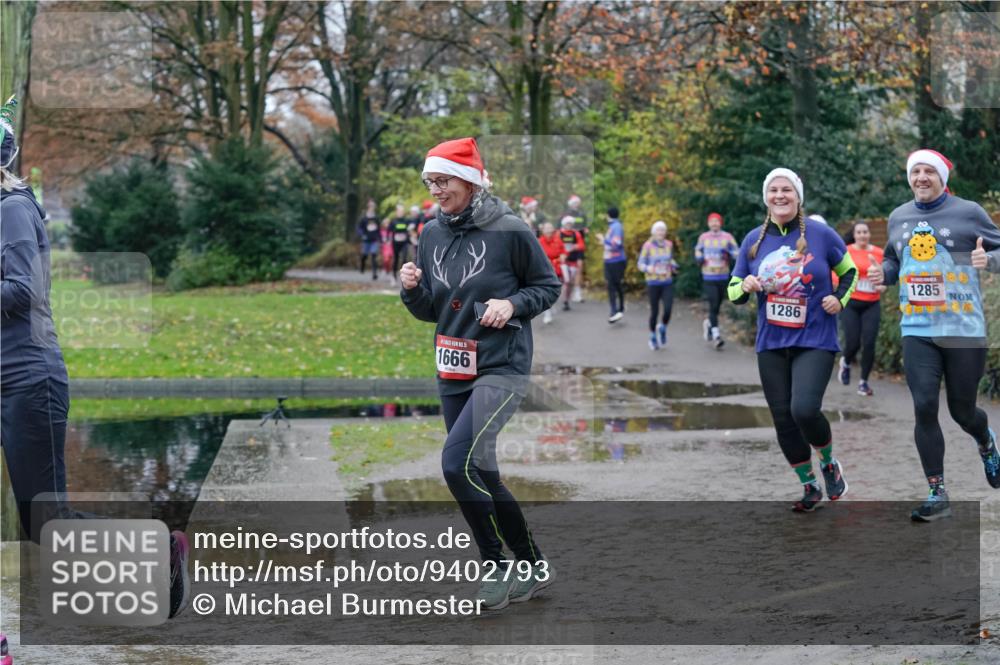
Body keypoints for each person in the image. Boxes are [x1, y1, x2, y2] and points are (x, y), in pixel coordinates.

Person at [0, 97, 192, 617]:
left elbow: (19, 291)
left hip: (27, 379)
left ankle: (158, 553)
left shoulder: (12, 210)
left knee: (46, 523)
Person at [399, 137, 561, 608]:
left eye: (443, 180)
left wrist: (512, 303)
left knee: (455, 464)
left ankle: (497, 564)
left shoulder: (510, 229)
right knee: (483, 473)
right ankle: (532, 563)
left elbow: (547, 286)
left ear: (468, 180)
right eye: (430, 182)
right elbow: (435, 310)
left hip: (501, 366)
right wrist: (411, 290)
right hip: (452, 366)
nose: (436, 190)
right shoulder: (431, 233)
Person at [868, 149, 1000, 522]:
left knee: (962, 411)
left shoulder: (968, 212)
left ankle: (985, 440)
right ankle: (937, 490)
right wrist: (885, 273)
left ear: (942, 177)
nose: (921, 177)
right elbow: (894, 259)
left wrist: (987, 260)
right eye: (915, 172)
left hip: (963, 330)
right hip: (918, 329)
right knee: (924, 405)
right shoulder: (899, 217)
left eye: (929, 171)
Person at [729, 167, 858, 512]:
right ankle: (809, 486)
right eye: (773, 190)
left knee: (804, 409)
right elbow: (733, 288)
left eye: (787, 190)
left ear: (798, 196)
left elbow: (850, 272)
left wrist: (840, 299)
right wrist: (745, 286)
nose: (780, 196)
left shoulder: (822, 234)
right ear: (766, 197)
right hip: (772, 342)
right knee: (783, 418)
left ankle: (829, 464)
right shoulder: (754, 240)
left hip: (815, 337)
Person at [838, 221, 886, 396]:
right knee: (853, 342)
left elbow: (884, 276)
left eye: (865, 232)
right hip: (851, 302)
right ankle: (846, 362)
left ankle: (863, 382)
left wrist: (883, 286)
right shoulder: (847, 251)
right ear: (855, 234)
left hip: (872, 303)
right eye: (859, 232)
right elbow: (837, 273)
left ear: (869, 234)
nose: (862, 235)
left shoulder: (879, 253)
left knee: (869, 342)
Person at [695, 212, 740, 349]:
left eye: (717, 221)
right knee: (713, 303)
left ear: (720, 223)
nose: (714, 223)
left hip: (723, 275)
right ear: (708, 223)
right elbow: (697, 250)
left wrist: (729, 253)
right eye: (712, 221)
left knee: (717, 305)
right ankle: (716, 335)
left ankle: (709, 323)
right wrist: (699, 257)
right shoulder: (704, 237)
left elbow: (737, 252)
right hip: (708, 275)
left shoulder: (727, 237)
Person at [637, 221, 679, 350]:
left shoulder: (669, 244)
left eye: (663, 230)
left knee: (668, 309)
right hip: (653, 282)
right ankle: (652, 337)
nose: (661, 233)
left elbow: (670, 259)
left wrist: (674, 266)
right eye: (658, 230)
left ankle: (662, 327)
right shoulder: (648, 246)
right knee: (654, 311)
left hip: (666, 281)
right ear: (653, 232)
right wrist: (650, 268)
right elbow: (640, 264)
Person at [596, 206, 626, 323]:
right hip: (609, 260)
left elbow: (616, 244)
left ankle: (620, 309)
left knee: (616, 284)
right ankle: (614, 311)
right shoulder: (613, 226)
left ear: (608, 215)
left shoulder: (616, 226)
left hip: (616, 261)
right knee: (611, 285)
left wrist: (603, 239)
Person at [537, 221, 568, 324]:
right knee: (546, 290)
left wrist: (563, 256)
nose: (549, 229)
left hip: (557, 268)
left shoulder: (558, 240)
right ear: (543, 230)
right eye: (547, 228)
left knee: (556, 290)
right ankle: (547, 313)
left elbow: (564, 252)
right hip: (544, 269)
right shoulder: (539, 241)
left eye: (551, 227)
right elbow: (535, 256)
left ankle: (551, 304)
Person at [557, 215, 585, 311]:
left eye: (571, 224)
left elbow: (582, 245)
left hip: (573, 260)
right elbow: (555, 245)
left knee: (570, 282)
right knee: (567, 280)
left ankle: (566, 300)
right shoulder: (559, 233)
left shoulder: (576, 234)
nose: (569, 225)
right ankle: (563, 298)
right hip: (563, 261)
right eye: (567, 223)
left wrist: (575, 247)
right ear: (564, 224)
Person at [564, 194, 588, 302]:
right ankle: (565, 292)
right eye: (575, 202)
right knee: (568, 272)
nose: (577, 204)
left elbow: (585, 227)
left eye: (578, 202)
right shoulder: (565, 214)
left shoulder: (582, 214)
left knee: (579, 267)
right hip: (567, 247)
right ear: (571, 204)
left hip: (579, 245)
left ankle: (577, 292)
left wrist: (585, 230)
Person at [356, 199, 381, 280]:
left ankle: (374, 274)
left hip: (374, 240)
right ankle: (362, 267)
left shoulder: (376, 218)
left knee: (374, 255)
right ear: (368, 207)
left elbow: (379, 229)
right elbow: (359, 228)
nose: (372, 208)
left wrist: (380, 239)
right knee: (365, 255)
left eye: (373, 206)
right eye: (370, 206)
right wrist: (362, 235)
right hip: (366, 240)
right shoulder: (363, 218)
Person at [390, 203, 410, 274]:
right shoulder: (393, 221)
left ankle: (403, 274)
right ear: (397, 212)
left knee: (404, 258)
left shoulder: (406, 221)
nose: (401, 213)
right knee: (396, 259)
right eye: (399, 211)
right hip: (395, 242)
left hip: (404, 242)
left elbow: (409, 229)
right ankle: (394, 275)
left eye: (402, 211)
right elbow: (389, 231)